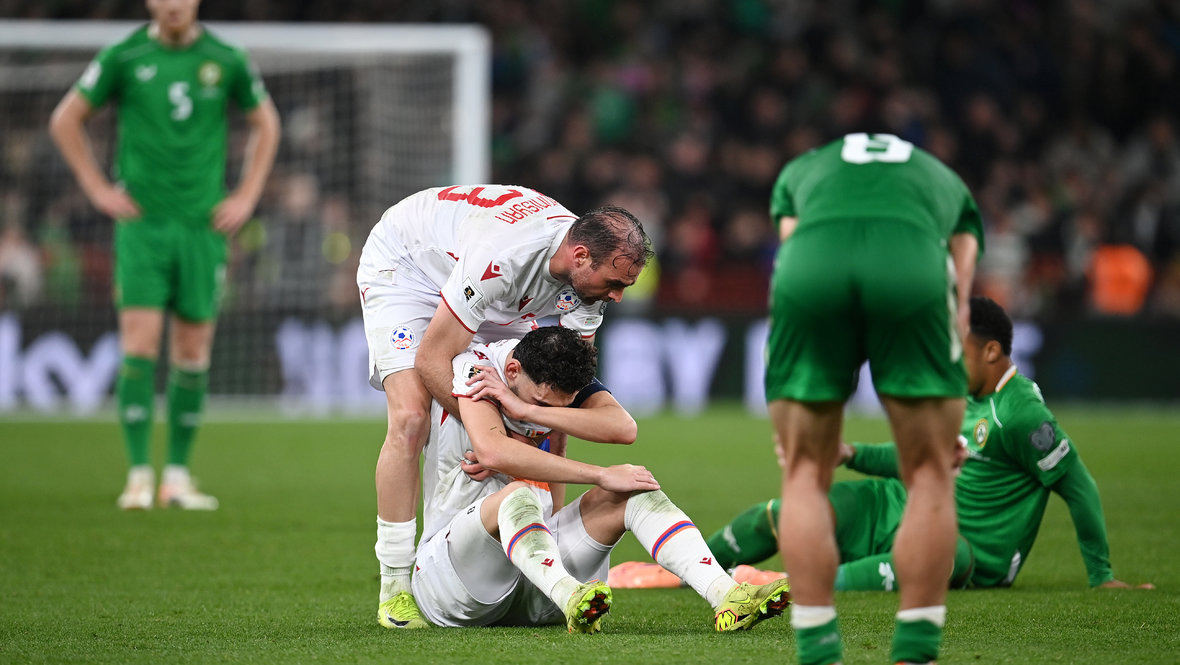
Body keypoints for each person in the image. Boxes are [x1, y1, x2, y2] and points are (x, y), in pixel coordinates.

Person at [610, 297, 1154, 595]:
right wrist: (850, 455)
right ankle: (692, 570)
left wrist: (1101, 574)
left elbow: (1077, 484)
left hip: (967, 547)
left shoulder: (1022, 414)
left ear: (992, 352)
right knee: (782, 512)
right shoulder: (958, 396)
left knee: (937, 555)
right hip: (905, 503)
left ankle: (783, 583)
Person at [357, 184, 652, 628]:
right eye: (614, 283)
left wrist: (525, 445)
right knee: (411, 418)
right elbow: (432, 360)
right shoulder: (504, 260)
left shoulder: (584, 283)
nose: (618, 296)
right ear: (579, 257)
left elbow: (564, 399)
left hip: (483, 280)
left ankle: (537, 540)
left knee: (543, 387)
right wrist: (496, 434)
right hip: (408, 266)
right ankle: (395, 588)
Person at [48, 0, 281, 511]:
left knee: (193, 352)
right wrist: (96, 189)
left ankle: (176, 476)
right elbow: (66, 118)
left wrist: (245, 196)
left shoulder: (227, 58)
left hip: (202, 227)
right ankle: (137, 475)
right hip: (143, 226)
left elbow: (267, 122)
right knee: (140, 342)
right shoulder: (124, 56)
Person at [409, 325, 791, 632]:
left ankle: (726, 595)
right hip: (454, 582)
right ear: (512, 371)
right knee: (516, 495)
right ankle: (569, 593)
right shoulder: (476, 367)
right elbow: (494, 451)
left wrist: (530, 409)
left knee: (635, 491)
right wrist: (600, 474)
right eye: (542, 403)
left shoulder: (554, 374)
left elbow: (623, 428)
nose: (546, 414)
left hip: (538, 580)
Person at [766, 132, 983, 665]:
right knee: (931, 472)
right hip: (910, 265)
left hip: (812, 264)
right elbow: (960, 294)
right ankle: (915, 649)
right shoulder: (943, 178)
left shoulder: (802, 170)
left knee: (803, 472)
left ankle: (818, 650)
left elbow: (790, 247)